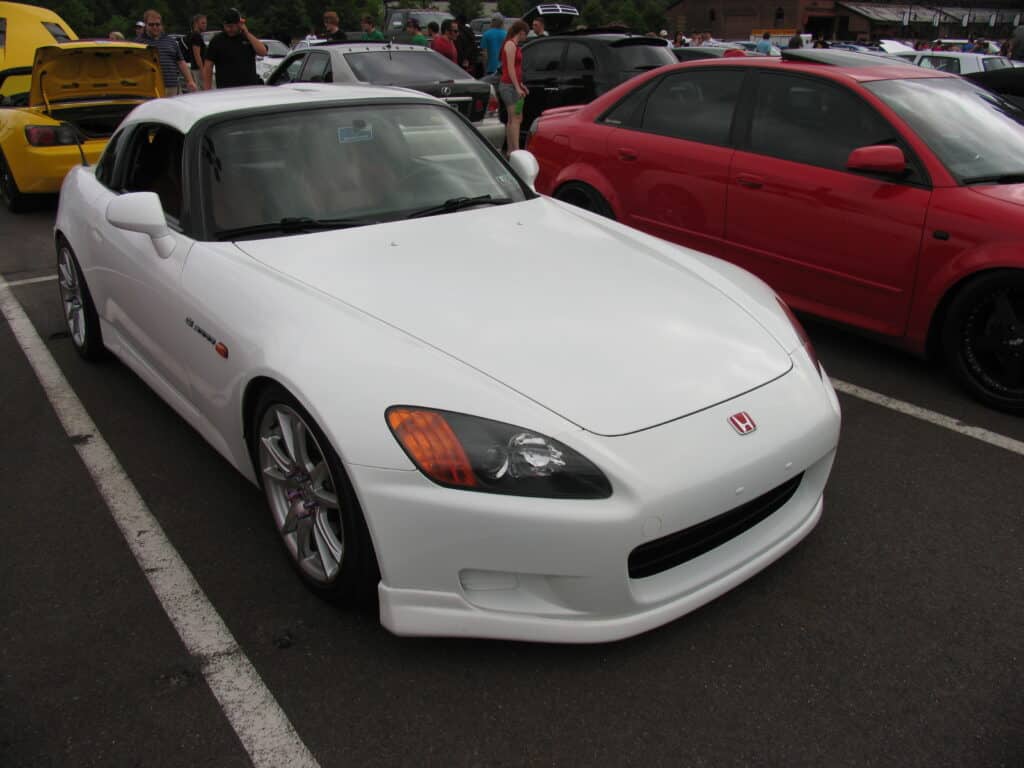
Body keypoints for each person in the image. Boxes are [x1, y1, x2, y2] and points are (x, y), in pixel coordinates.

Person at [203, 8, 267, 89]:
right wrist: (207, 89)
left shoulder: (247, 38)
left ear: (239, 24)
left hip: (249, 88)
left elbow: (263, 52)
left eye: (232, 26)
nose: (229, 29)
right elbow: (208, 66)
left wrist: (247, 33)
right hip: (226, 88)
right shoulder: (217, 41)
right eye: (227, 26)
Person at [139, 10, 197, 96]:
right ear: (146, 25)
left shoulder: (171, 41)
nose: (155, 27)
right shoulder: (138, 43)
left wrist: (190, 81)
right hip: (150, 88)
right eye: (151, 24)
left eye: (157, 24)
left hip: (172, 86)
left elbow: (181, 62)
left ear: (161, 25)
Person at [498, 20, 529, 155]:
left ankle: (511, 150)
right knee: (516, 118)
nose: (526, 37)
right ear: (521, 32)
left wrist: (521, 85)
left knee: (514, 118)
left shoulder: (515, 46)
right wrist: (517, 87)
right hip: (508, 86)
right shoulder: (510, 44)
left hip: (512, 85)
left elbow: (516, 69)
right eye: (525, 34)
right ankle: (516, 150)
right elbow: (510, 68)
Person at [187, 14, 208, 90]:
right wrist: (202, 70)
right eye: (202, 23)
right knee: (202, 92)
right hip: (198, 69)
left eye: (205, 23)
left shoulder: (194, 35)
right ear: (196, 23)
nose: (205, 25)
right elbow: (197, 55)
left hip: (196, 68)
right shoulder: (196, 36)